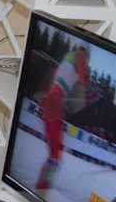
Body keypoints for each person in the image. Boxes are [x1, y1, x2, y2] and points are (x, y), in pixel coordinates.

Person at [35, 44, 90, 191]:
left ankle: (42, 185)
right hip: (55, 99)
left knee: (55, 153)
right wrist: (87, 78)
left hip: (53, 98)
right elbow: (83, 79)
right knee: (55, 156)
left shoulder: (68, 56)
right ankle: (43, 187)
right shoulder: (80, 56)